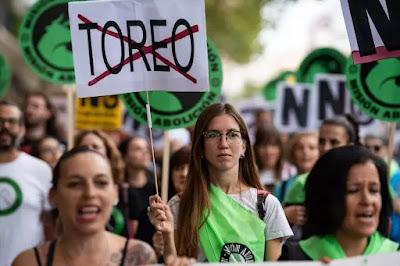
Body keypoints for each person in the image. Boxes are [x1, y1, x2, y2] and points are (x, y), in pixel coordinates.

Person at [149, 103, 292, 262]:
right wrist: (167, 234)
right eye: (213, 135)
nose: (223, 143)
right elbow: (173, 262)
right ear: (201, 147)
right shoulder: (180, 204)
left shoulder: (267, 205)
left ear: (243, 146)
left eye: (232, 134)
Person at [12, 146, 157, 266]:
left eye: (101, 183)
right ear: (52, 195)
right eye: (75, 184)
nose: (90, 193)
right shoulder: (28, 262)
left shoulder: (139, 257)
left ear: (115, 193)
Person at [280, 145, 398, 261]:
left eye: (374, 190)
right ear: (327, 197)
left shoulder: (394, 255)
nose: (367, 200)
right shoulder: (294, 257)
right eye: (353, 190)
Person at [0, 100, 52, 266]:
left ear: (22, 129)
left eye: (12, 121)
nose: (5, 126)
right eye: (0, 121)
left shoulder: (40, 169)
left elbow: (49, 223)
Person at [284, 115, 360, 206]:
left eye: (334, 142)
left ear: (350, 146)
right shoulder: (302, 183)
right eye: (321, 141)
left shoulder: (363, 181)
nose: (326, 148)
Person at [74, 130, 128, 237]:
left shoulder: (125, 191)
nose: (90, 151)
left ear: (107, 153)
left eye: (95, 147)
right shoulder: (71, 188)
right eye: (84, 147)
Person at [275, 132, 319, 234]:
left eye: (312, 148)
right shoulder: (281, 187)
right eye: (300, 148)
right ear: (292, 153)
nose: (305, 152)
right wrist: (284, 214)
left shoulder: (328, 183)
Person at [119, 136, 156, 245]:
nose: (144, 152)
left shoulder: (157, 188)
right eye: (137, 149)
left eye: (146, 148)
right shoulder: (119, 190)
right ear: (125, 156)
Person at [253, 126, 295, 191]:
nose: (268, 151)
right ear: (256, 148)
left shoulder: (291, 172)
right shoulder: (249, 173)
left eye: (273, 145)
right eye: (263, 145)